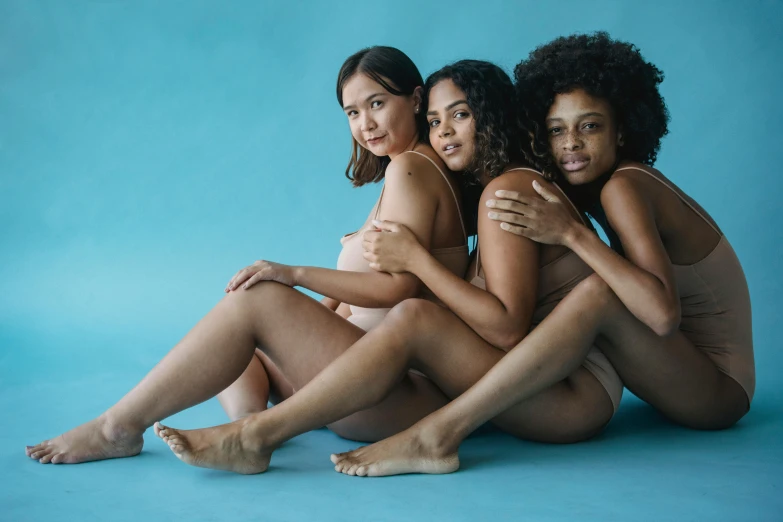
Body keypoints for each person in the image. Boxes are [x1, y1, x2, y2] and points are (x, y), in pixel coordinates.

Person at [152, 60, 623, 475]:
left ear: (493, 114)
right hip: (536, 378)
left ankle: (256, 436)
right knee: (254, 331)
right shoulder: (489, 189)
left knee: (414, 318)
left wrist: (415, 260)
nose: (443, 133)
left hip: (570, 394)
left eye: (460, 114)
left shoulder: (506, 190)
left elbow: (505, 328)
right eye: (435, 121)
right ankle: (245, 429)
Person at [328, 32, 753, 477]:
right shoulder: (593, 187)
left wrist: (571, 234)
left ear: (623, 128)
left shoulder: (625, 186)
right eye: (556, 129)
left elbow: (662, 316)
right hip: (674, 370)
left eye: (589, 126)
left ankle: (440, 432)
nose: (570, 143)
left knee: (597, 295)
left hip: (717, 391)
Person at [24, 46, 468, 465]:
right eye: (352, 112)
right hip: (360, 382)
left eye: (376, 104)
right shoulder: (405, 170)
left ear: (414, 100)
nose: (365, 124)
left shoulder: (412, 170)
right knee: (236, 336)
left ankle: (116, 428)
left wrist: (293, 274)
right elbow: (366, 293)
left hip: (393, 393)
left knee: (258, 297)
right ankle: (245, 429)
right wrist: (306, 316)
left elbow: (398, 288)